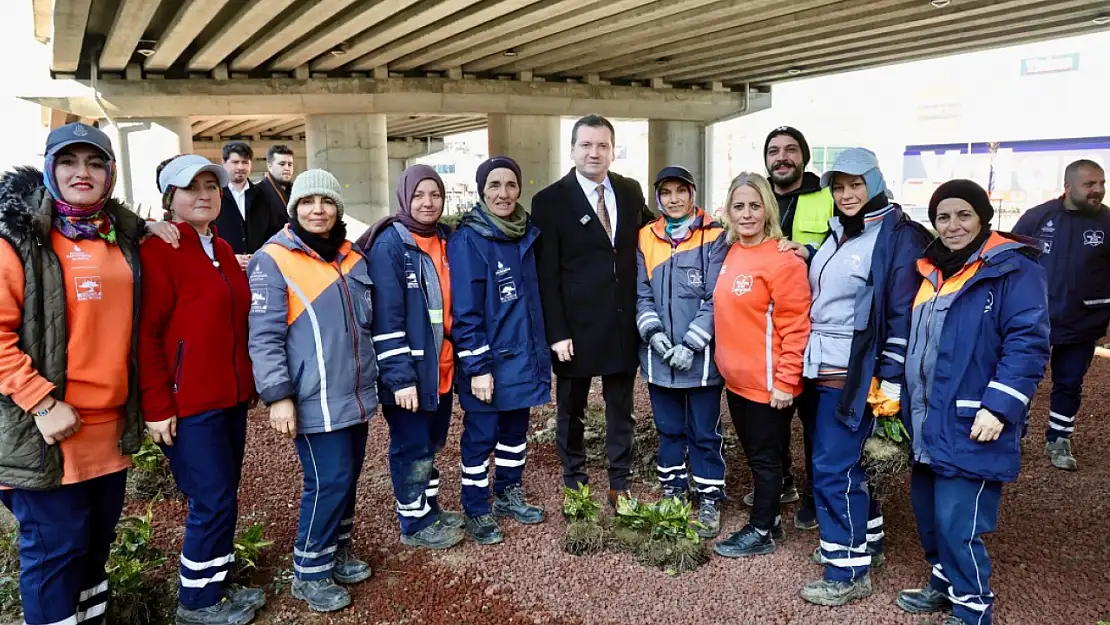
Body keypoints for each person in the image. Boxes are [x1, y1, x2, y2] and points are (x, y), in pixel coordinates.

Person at [0, 122, 147, 625]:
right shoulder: (19, 239)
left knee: (92, 550)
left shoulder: (121, 237)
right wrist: (39, 400)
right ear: (48, 169)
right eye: (69, 162)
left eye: (94, 163)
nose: (81, 173)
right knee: (54, 554)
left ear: (109, 173)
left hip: (108, 432)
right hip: (45, 430)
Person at [781, 148, 931, 606]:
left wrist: (889, 379)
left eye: (855, 185)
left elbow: (903, 313)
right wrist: (806, 251)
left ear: (876, 182)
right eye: (839, 186)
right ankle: (869, 543)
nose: (846, 194)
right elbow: (836, 283)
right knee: (848, 463)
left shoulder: (898, 237)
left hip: (853, 373)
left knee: (832, 468)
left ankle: (846, 571)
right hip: (822, 365)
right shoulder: (844, 232)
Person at [898, 180, 1049, 625]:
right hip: (929, 417)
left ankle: (972, 607)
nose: (952, 225)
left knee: (958, 521)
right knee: (929, 514)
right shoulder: (931, 269)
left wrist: (999, 406)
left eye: (963, 214)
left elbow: (1028, 344)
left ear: (983, 216)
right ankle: (944, 581)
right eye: (943, 217)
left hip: (973, 419)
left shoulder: (1013, 271)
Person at [138, 153, 264, 625]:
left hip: (229, 398)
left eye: (210, 185)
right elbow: (147, 335)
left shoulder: (225, 250)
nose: (204, 194)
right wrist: (156, 404)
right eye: (191, 187)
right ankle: (196, 603)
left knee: (223, 493)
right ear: (170, 199)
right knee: (210, 497)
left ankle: (217, 583)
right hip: (188, 403)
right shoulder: (159, 251)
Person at [247, 169, 378, 612]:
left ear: (338, 208)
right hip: (310, 397)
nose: (317, 210)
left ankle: (336, 551)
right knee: (327, 481)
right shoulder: (274, 258)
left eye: (326, 201)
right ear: (294, 208)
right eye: (307, 202)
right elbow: (263, 336)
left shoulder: (352, 257)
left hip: (354, 393)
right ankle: (309, 572)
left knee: (348, 477)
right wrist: (278, 396)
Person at [531, 114, 655, 511]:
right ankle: (576, 486)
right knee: (571, 411)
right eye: (586, 145)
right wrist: (557, 331)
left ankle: (620, 484)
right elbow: (546, 274)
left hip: (621, 322)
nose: (594, 153)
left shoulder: (631, 191)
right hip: (574, 329)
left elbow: (658, 235)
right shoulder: (549, 200)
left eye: (602, 145)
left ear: (612, 150)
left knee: (622, 410)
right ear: (571, 149)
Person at [357, 164, 465, 550]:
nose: (427, 202)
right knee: (411, 445)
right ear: (405, 197)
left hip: (442, 368)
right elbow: (387, 318)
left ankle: (428, 508)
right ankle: (414, 521)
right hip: (410, 374)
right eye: (419, 194)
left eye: (435, 194)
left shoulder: (447, 239)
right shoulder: (391, 244)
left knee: (432, 442)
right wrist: (399, 378)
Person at [449, 156, 551, 545]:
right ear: (481, 191)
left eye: (510, 185)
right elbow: (466, 310)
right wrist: (477, 367)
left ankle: (509, 493)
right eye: (494, 185)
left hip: (522, 358)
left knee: (515, 433)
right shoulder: (469, 239)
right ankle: (476, 507)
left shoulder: (526, 233)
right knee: (480, 437)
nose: (503, 193)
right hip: (489, 364)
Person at [712, 173, 811, 558]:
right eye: (739, 206)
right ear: (729, 211)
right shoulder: (733, 251)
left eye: (755, 205)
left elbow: (797, 325)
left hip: (769, 385)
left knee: (765, 461)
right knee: (759, 457)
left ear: (768, 208)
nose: (747, 214)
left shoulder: (783, 259)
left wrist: (786, 381)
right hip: (737, 381)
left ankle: (762, 531)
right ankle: (770, 520)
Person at [634, 166, 727, 537]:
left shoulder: (715, 235)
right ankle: (673, 490)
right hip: (659, 361)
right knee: (669, 429)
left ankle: (709, 496)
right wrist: (653, 335)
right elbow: (642, 294)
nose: (674, 199)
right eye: (666, 193)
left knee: (704, 431)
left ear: (692, 194)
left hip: (700, 361)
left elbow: (716, 297)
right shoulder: (645, 237)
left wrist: (691, 343)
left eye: (680, 192)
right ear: (658, 198)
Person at [752, 125, 835, 531]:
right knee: (772, 413)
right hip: (768, 329)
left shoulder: (827, 197)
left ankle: (817, 492)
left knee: (814, 419)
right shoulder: (758, 198)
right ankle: (781, 482)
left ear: (804, 155)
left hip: (816, 326)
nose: (781, 157)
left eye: (789, 150)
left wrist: (813, 252)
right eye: (773, 151)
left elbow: (848, 244)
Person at [1012, 159, 1108, 471]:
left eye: (1101, 183)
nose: (1098, 190)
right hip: (1034, 319)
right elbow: (1009, 259)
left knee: (1069, 383)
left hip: (1084, 319)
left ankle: (1059, 439)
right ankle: (1015, 435)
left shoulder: (1108, 222)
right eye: (1090, 184)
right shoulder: (1038, 218)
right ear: (1068, 187)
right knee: (1022, 377)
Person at [252, 143, 294, 232]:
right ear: (269, 166)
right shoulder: (257, 192)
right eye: (282, 164)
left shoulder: (297, 190)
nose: (287, 168)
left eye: (290, 164)